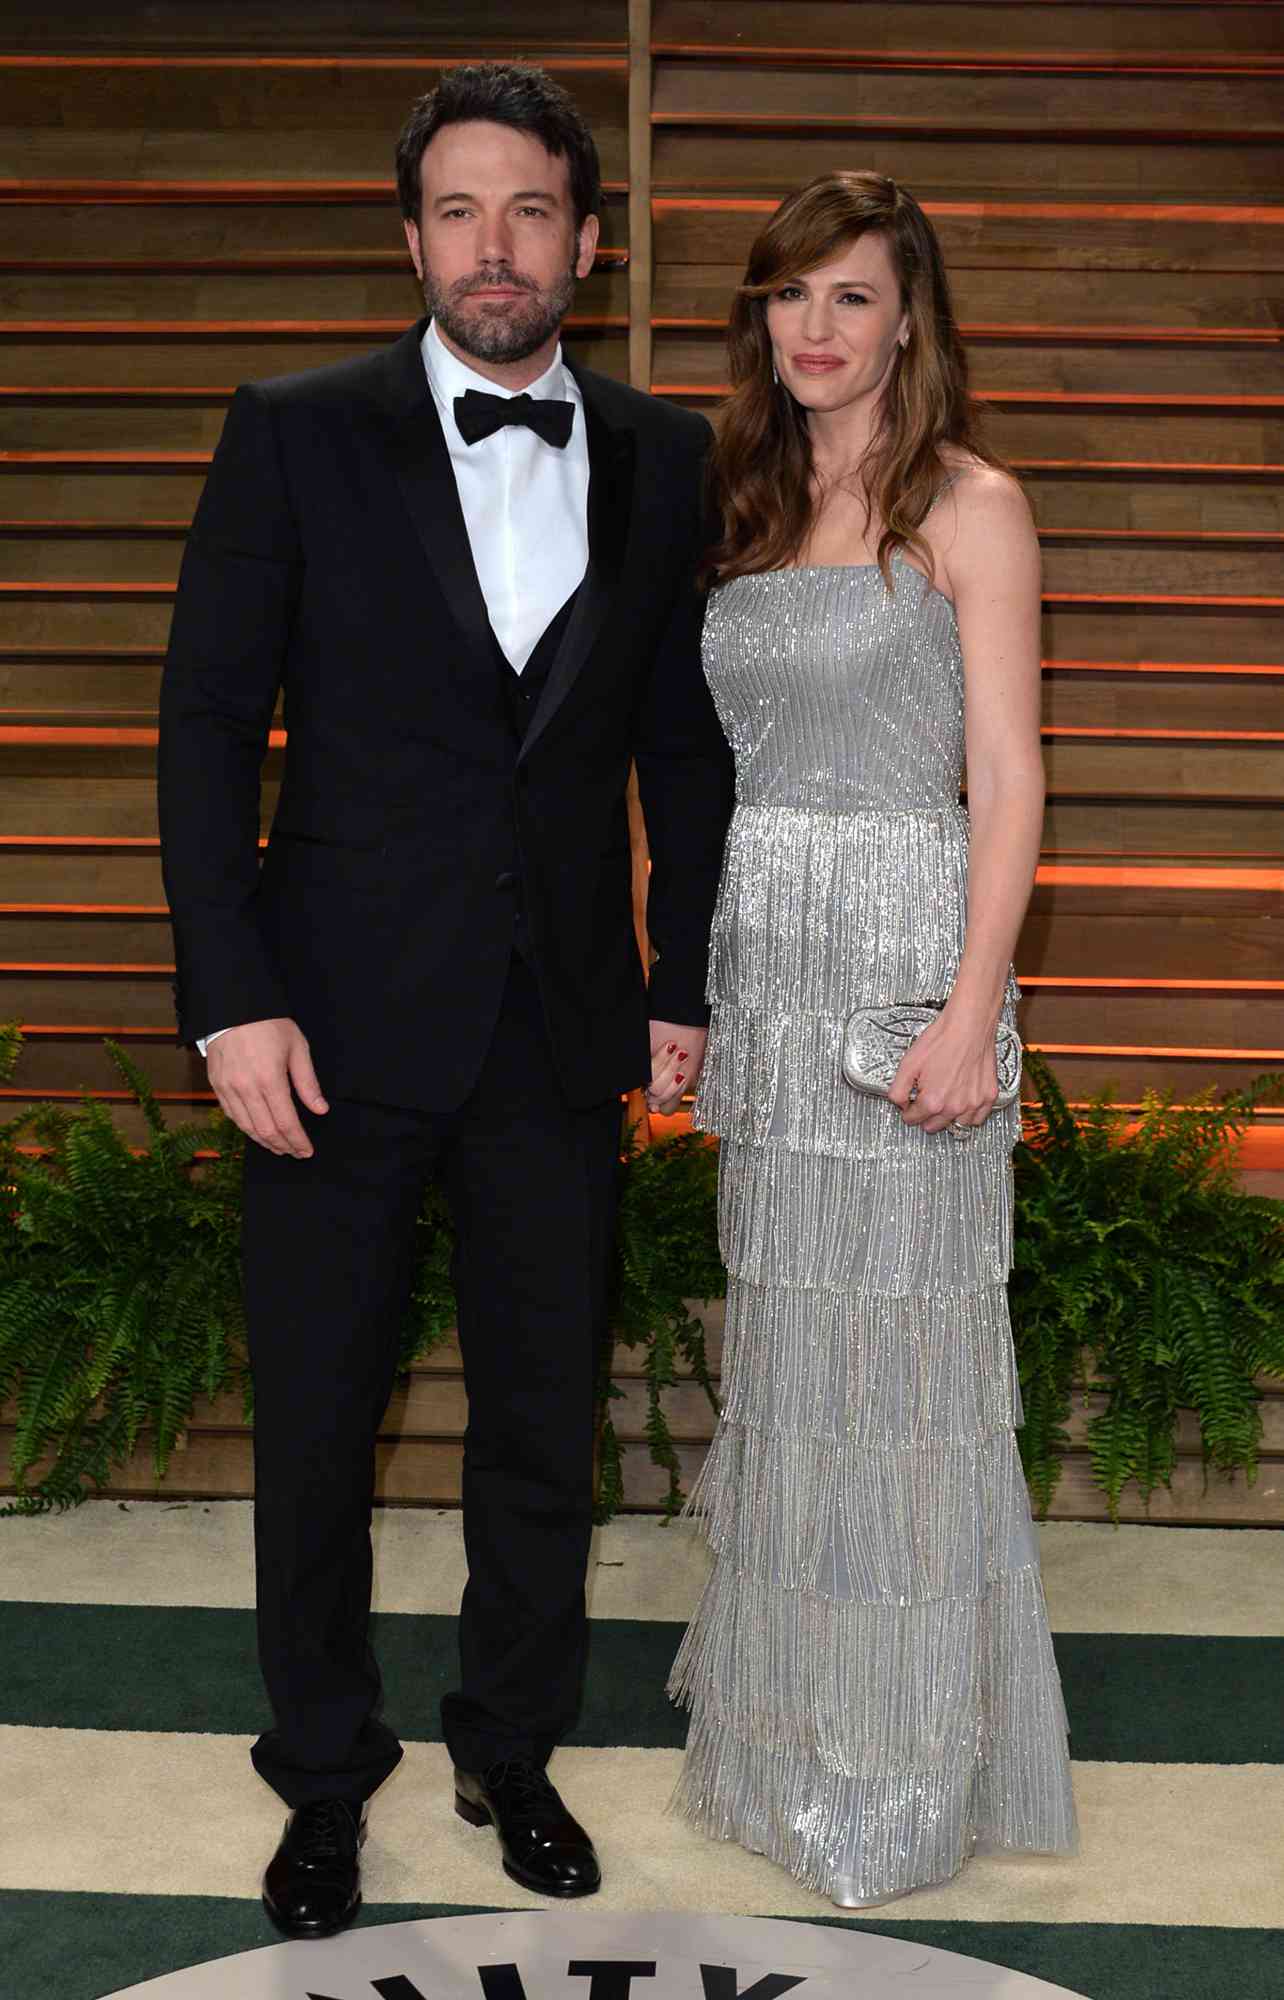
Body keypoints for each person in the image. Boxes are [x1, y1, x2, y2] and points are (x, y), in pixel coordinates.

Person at [158, 62, 732, 1937]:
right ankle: (323, 1781)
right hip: (322, 1032)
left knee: (538, 1427)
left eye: (535, 211)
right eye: (462, 212)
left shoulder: (662, 451)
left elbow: (680, 743)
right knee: (316, 1427)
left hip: (558, 1031)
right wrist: (230, 1001)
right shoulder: (294, 429)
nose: (500, 247)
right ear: (410, 239)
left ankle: (512, 1746)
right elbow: (195, 738)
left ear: (589, 238)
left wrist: (681, 982)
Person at [667, 171, 1078, 1907]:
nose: (816, 330)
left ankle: (901, 1771)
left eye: (850, 297)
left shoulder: (973, 506)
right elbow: (696, 775)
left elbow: (1012, 779)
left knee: (905, 1385)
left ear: (912, 314)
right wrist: (681, 999)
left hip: (907, 962)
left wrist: (976, 1013)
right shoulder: (742, 502)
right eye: (789, 298)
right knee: (792, 1366)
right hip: (767, 964)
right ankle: (788, 1743)